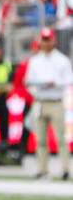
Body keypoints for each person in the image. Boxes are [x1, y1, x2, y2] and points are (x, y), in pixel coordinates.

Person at [25, 27, 73, 180]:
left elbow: (69, 80)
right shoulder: (35, 60)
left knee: (60, 138)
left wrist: (55, 83)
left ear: (54, 40)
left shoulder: (62, 59)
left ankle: (65, 169)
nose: (46, 43)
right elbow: (28, 81)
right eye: (43, 40)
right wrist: (40, 85)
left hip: (56, 101)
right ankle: (43, 169)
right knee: (40, 139)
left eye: (48, 40)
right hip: (40, 101)